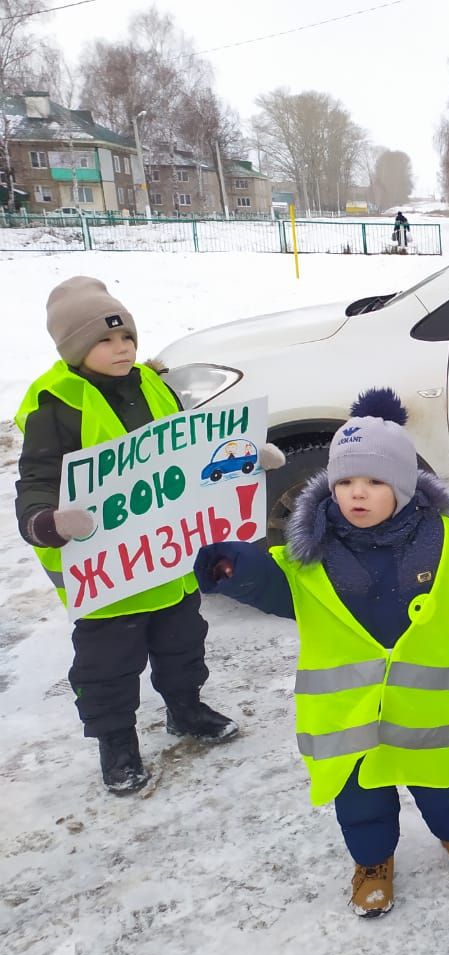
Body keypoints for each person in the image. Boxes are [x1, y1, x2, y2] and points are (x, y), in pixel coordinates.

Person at [195, 388, 449, 918]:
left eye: (373, 482)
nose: (356, 494)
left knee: (443, 780)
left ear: (406, 487)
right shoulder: (308, 558)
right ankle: (372, 862)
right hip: (345, 715)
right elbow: (276, 589)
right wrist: (235, 568)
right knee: (360, 797)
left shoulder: (447, 542)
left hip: (421, 708)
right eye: (345, 482)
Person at [14, 276, 251, 795]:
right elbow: (35, 478)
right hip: (102, 571)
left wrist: (244, 465)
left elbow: (189, 452)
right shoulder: (56, 406)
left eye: (127, 339)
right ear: (75, 348)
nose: (121, 349)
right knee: (108, 665)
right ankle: (116, 743)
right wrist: (44, 521)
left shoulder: (154, 384)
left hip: (165, 558)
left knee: (182, 642)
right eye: (105, 340)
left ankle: (184, 709)